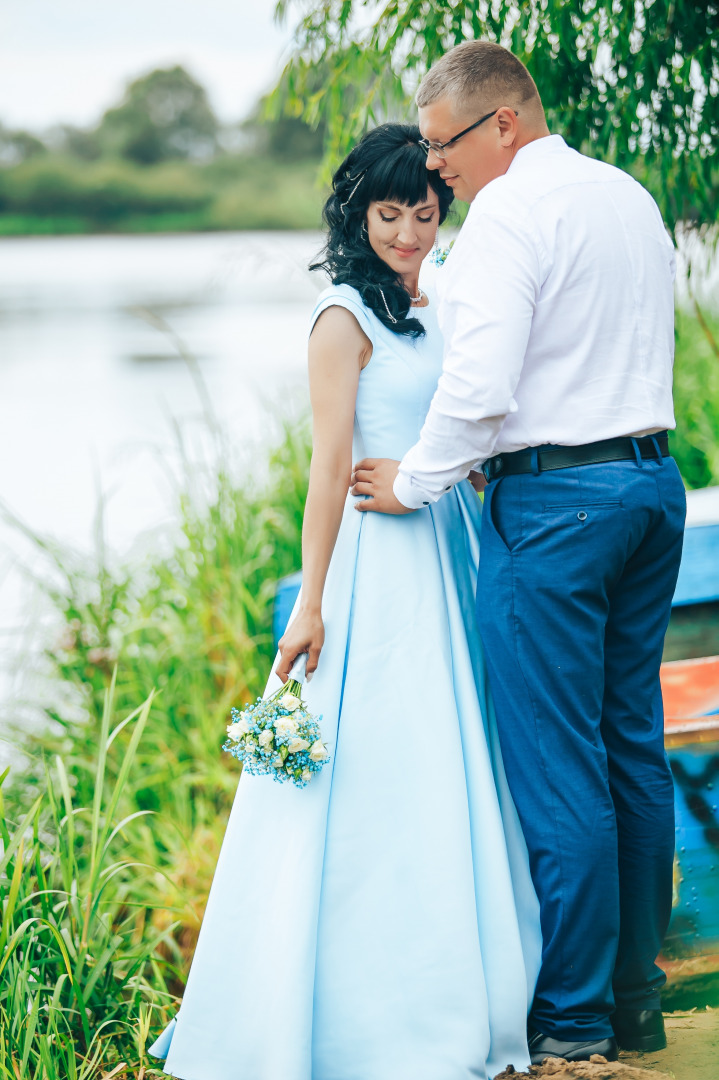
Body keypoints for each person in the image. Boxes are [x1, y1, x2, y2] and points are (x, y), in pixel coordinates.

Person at [148, 123, 542, 1080]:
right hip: (378, 565)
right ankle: (349, 1013)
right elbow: (327, 471)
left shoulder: (440, 305)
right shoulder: (340, 319)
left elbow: (467, 425)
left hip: (446, 552)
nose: (408, 230)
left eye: (423, 210)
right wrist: (309, 601)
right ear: (355, 211)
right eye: (388, 211)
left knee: (456, 754)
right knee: (375, 765)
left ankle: (471, 981)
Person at [352, 41, 686, 1067]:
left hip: (553, 510)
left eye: (442, 142)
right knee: (629, 749)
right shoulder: (621, 193)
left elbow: (481, 387)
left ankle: (572, 1024)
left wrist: (414, 480)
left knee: (556, 769)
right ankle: (633, 1005)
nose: (432, 164)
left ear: (504, 121)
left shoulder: (503, 213)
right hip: (647, 487)